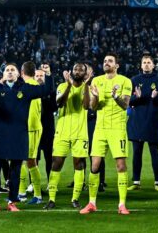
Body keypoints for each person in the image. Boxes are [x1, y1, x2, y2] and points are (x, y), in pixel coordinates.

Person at [0, 62, 51, 212]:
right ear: (4, 74)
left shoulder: (25, 89)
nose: (10, 72)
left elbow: (46, 90)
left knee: (15, 170)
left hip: (19, 135)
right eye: (7, 70)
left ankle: (12, 201)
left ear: (18, 74)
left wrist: (48, 75)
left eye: (13, 69)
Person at [80, 53, 132, 215]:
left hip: (117, 128)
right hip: (100, 128)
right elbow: (93, 107)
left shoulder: (125, 81)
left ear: (117, 65)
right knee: (94, 165)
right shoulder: (96, 81)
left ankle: (122, 204)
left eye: (110, 61)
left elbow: (125, 105)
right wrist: (94, 97)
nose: (106, 63)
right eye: (104, 61)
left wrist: (116, 96)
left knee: (121, 165)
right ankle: (91, 203)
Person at [44, 63, 92, 210]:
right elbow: (60, 103)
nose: (77, 71)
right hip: (62, 132)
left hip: (80, 133)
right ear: (71, 71)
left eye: (81, 70)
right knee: (56, 163)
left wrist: (85, 85)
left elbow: (85, 106)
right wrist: (69, 85)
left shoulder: (88, 88)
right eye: (75, 69)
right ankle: (51, 199)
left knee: (79, 164)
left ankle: (75, 198)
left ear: (85, 74)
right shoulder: (61, 86)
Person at [127, 55, 158, 191]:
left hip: (153, 122)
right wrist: (136, 97)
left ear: (153, 65)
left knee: (154, 153)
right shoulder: (134, 80)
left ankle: (157, 182)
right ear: (140, 65)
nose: (146, 64)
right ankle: (136, 182)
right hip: (137, 122)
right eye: (144, 62)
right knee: (136, 153)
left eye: (148, 62)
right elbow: (129, 101)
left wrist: (155, 98)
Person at [18, 62, 46, 204]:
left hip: (31, 129)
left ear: (22, 71)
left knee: (29, 161)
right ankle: (22, 193)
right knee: (23, 161)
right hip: (26, 128)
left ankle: (37, 195)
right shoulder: (32, 85)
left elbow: (33, 113)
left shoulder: (31, 86)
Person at [38, 62, 57, 182]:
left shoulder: (51, 92)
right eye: (38, 75)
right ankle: (33, 185)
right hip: (34, 128)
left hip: (48, 129)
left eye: (42, 75)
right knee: (33, 158)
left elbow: (54, 107)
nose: (40, 77)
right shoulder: (30, 91)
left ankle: (51, 182)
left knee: (49, 157)